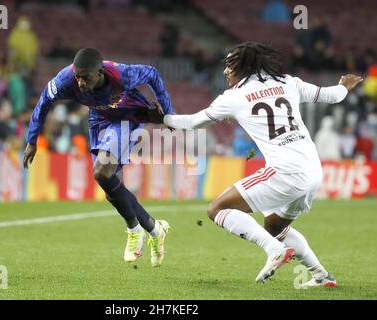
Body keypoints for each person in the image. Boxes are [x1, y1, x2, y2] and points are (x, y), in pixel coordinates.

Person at [161, 42, 363, 286]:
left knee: (217, 209)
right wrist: (344, 86)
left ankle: (274, 250)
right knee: (274, 226)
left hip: (285, 171)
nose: (225, 71)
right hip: (312, 171)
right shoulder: (288, 82)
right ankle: (321, 276)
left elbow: (193, 122)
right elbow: (332, 96)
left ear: (243, 66)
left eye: (229, 65)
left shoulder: (234, 97)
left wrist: (162, 117)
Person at [23, 48, 172, 267]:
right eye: (78, 77)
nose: (81, 82)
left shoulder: (121, 75)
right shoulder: (66, 80)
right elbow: (44, 99)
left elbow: (152, 73)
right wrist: (32, 139)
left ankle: (134, 229)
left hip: (126, 118)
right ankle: (154, 229)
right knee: (110, 187)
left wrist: (169, 113)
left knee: (102, 173)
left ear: (100, 72)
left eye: (86, 77)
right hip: (100, 120)